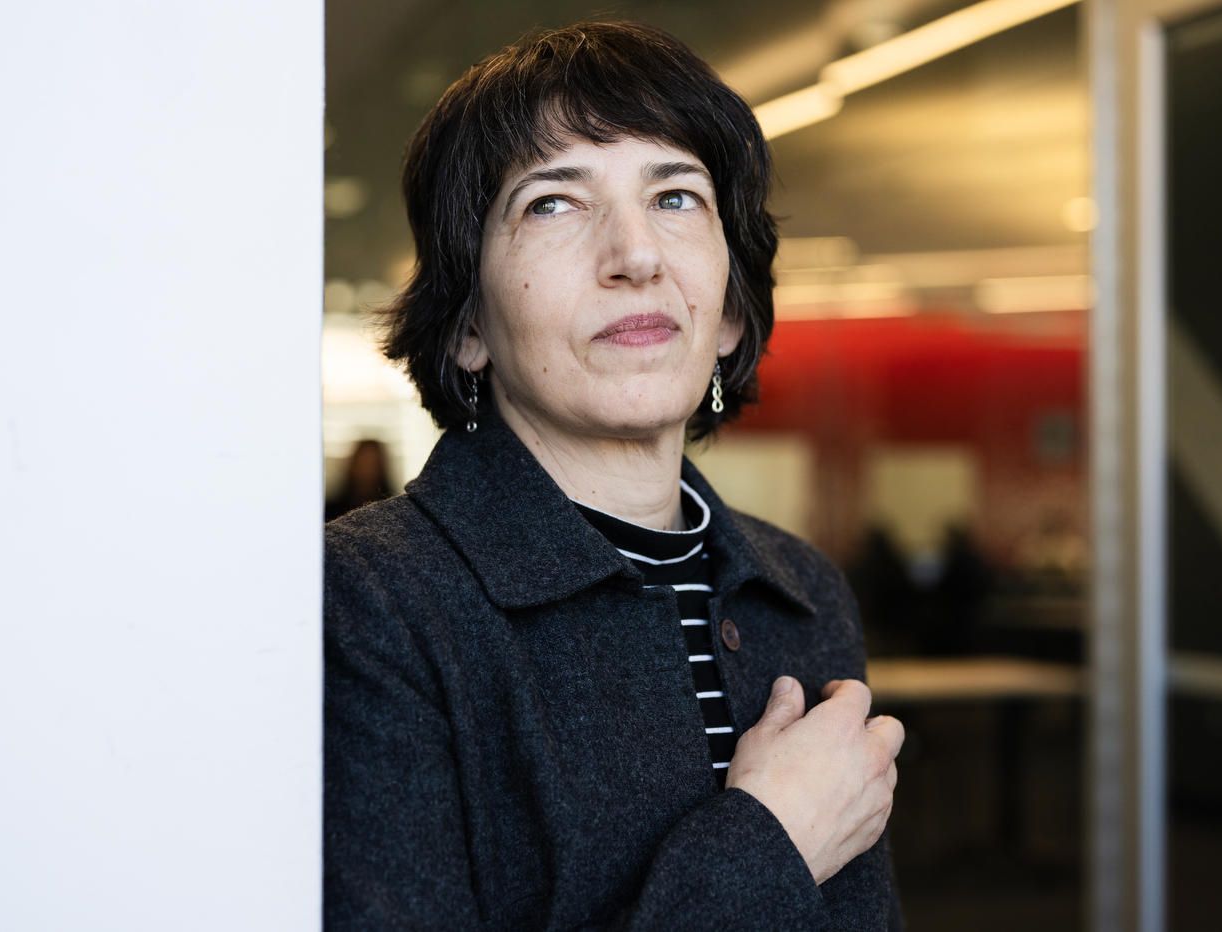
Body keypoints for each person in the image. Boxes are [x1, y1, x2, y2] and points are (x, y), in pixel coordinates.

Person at [325, 21, 904, 931]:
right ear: (467, 324)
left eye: (677, 197)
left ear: (728, 318)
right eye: (552, 204)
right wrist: (771, 842)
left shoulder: (801, 594)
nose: (636, 255)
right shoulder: (370, 603)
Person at [324, 438, 394, 522]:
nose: (368, 469)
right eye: (364, 461)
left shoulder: (393, 512)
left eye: (373, 464)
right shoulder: (330, 511)